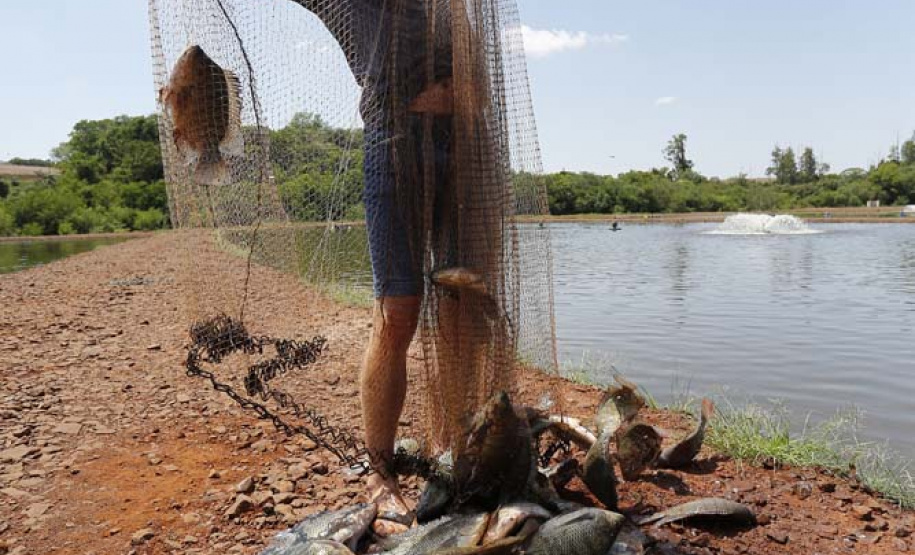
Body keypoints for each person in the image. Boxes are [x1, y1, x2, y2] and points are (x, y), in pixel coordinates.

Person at [291, 0, 453, 536]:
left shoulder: (458, 11)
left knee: (463, 303)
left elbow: (479, 79)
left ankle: (452, 449)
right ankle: (381, 475)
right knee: (399, 311)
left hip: (464, 150)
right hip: (392, 144)